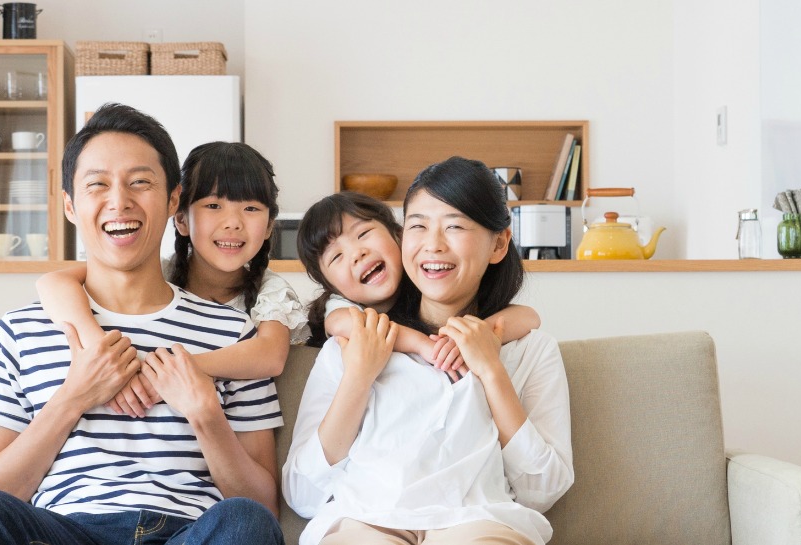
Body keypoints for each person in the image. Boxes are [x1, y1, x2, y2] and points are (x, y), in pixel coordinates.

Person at [0, 103, 285, 545]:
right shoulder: (20, 331)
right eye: (97, 184)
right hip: (62, 532)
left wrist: (206, 414)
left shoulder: (232, 335)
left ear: (173, 200)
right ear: (70, 204)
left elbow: (264, 510)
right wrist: (73, 397)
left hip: (187, 534)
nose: (119, 201)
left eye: (140, 182)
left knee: (246, 522)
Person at [283, 157, 574, 545]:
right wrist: (359, 377)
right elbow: (303, 494)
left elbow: (543, 490)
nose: (433, 244)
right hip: (364, 521)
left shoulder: (530, 349)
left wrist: (491, 371)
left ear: (499, 243)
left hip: (480, 522)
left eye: (454, 226)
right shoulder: (353, 343)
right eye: (419, 225)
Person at [35, 141, 303, 418]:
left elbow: (270, 356)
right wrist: (99, 350)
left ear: (269, 226)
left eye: (251, 209)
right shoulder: (158, 273)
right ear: (181, 219)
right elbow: (52, 284)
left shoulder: (272, 291)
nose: (233, 222)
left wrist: (168, 372)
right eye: (213, 205)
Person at [296, 192, 541, 378]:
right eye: (336, 256)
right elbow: (349, 324)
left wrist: (472, 337)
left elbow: (529, 317)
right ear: (329, 285)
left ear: (398, 234)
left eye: (363, 234)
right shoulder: (339, 306)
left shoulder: (427, 282)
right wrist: (424, 346)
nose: (357, 253)